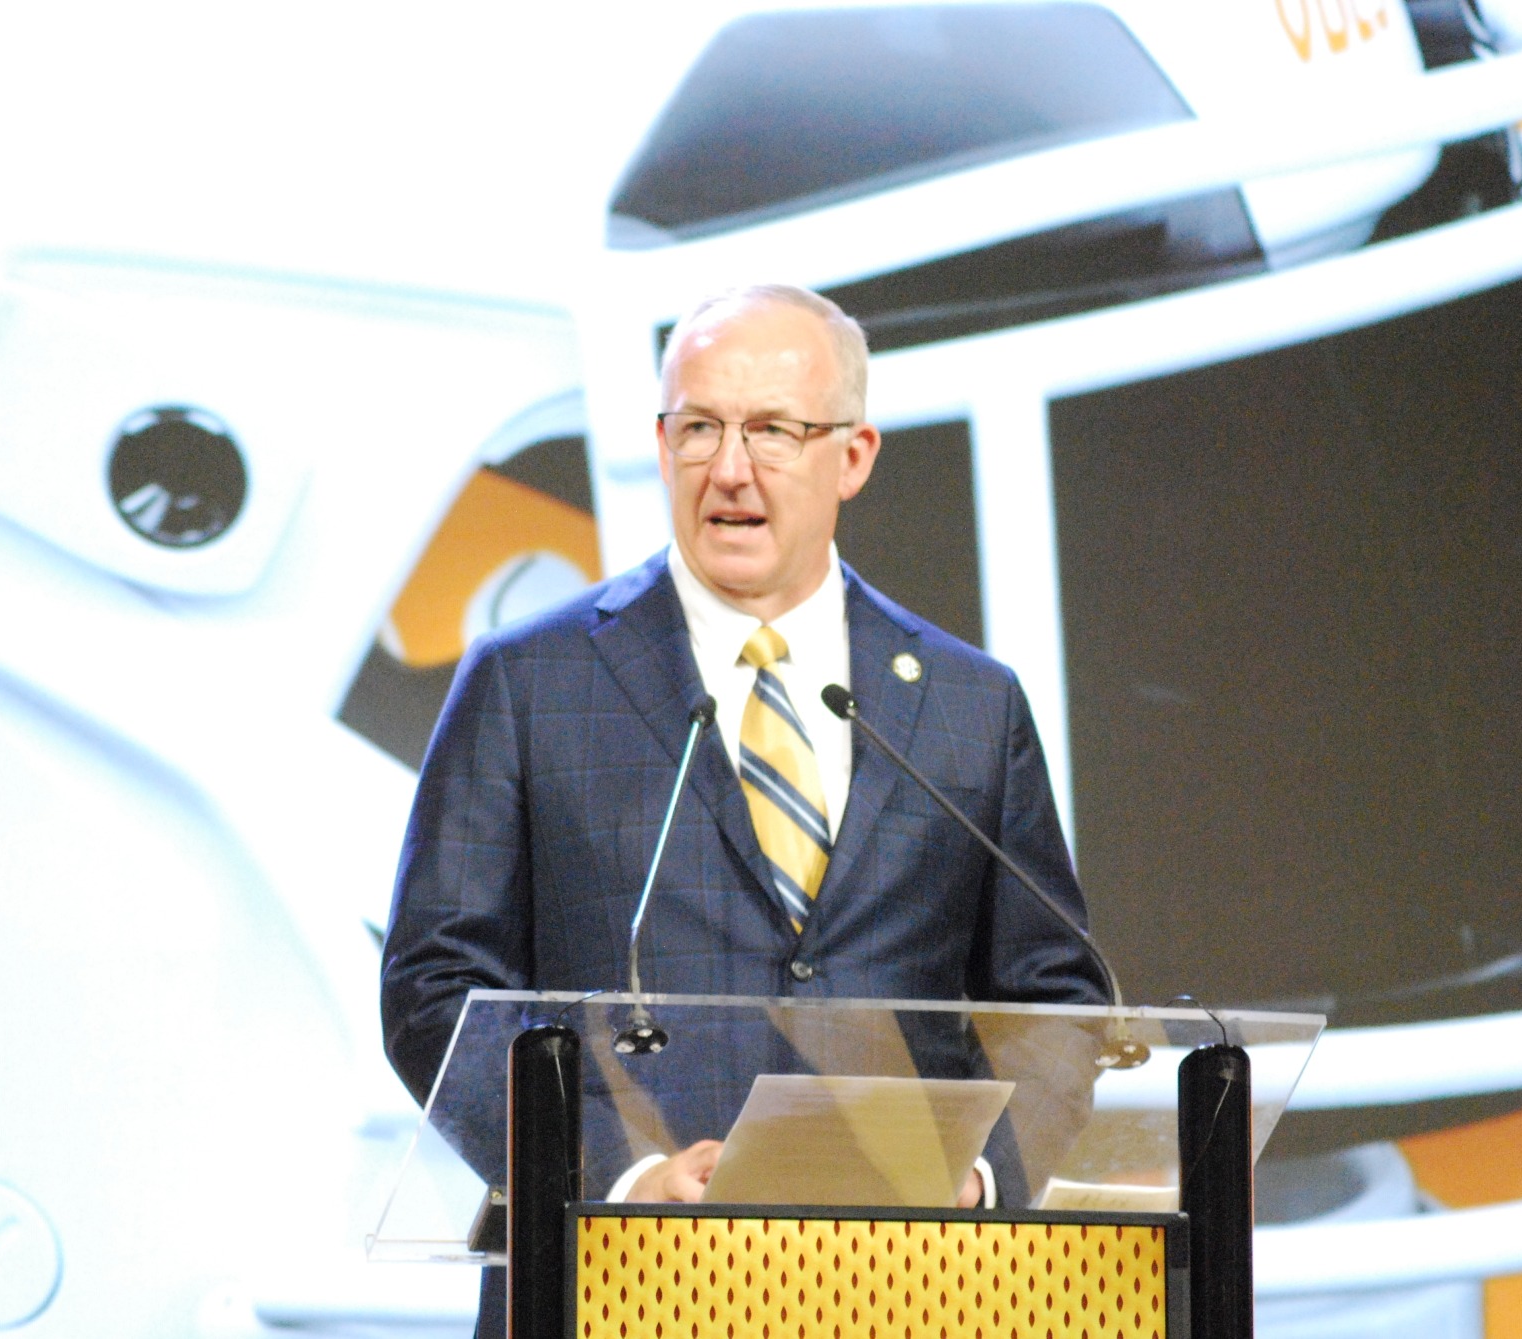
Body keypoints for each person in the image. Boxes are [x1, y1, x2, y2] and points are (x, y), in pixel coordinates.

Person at [380, 283, 1105, 1217]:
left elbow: (1055, 997)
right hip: (618, 1279)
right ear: (661, 446)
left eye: (772, 430)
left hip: (905, 1280)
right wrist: (619, 1174)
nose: (729, 469)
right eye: (698, 429)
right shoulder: (529, 681)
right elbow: (437, 989)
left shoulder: (972, 703)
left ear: (854, 455)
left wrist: (979, 1174)